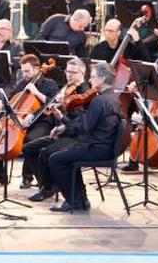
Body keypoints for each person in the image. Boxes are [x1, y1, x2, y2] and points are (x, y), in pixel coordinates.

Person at [46, 61, 124, 212]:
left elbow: (83, 129)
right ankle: (80, 199)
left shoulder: (99, 101)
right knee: (67, 155)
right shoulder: (113, 97)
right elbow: (89, 122)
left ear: (101, 79)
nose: (90, 80)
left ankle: (74, 201)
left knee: (56, 159)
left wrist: (62, 117)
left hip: (98, 148)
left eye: (93, 77)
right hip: (106, 147)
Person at [26, 56, 94, 202]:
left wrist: (62, 124)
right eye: (68, 71)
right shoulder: (67, 88)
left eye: (74, 72)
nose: (69, 75)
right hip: (62, 129)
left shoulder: (85, 93)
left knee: (47, 152)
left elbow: (80, 121)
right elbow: (53, 108)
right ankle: (47, 183)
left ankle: (49, 188)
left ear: (82, 73)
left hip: (74, 135)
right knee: (29, 148)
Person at [0, 54, 61, 187]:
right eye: (23, 71)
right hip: (22, 121)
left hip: (43, 121)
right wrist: (3, 104)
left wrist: (36, 93)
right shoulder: (23, 84)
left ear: (37, 69)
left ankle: (34, 179)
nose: (24, 74)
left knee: (30, 141)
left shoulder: (49, 84)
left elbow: (54, 103)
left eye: (27, 71)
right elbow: (11, 99)